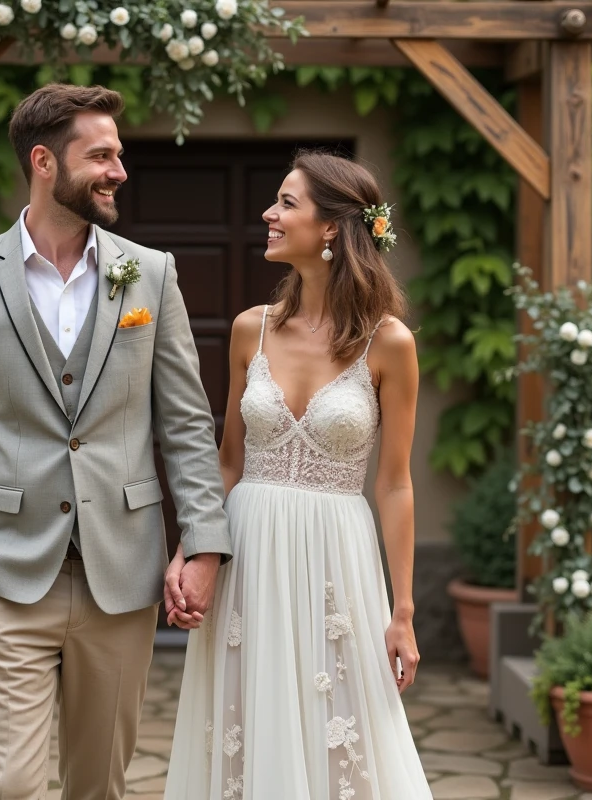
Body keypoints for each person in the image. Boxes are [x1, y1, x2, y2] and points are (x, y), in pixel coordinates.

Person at [0, 83, 231, 800]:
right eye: (103, 154)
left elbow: (184, 423)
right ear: (46, 161)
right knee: (12, 787)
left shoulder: (150, 273)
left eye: (119, 154)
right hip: (2, 576)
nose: (120, 170)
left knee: (99, 788)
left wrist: (204, 543)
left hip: (122, 575)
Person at [164, 151, 433, 799]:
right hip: (249, 551)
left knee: (341, 725)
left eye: (287, 202)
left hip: (335, 556)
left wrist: (403, 610)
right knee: (245, 723)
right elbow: (228, 458)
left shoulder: (388, 342)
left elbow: (394, 482)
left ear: (334, 228)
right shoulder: (248, 331)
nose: (269, 214)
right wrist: (190, 549)